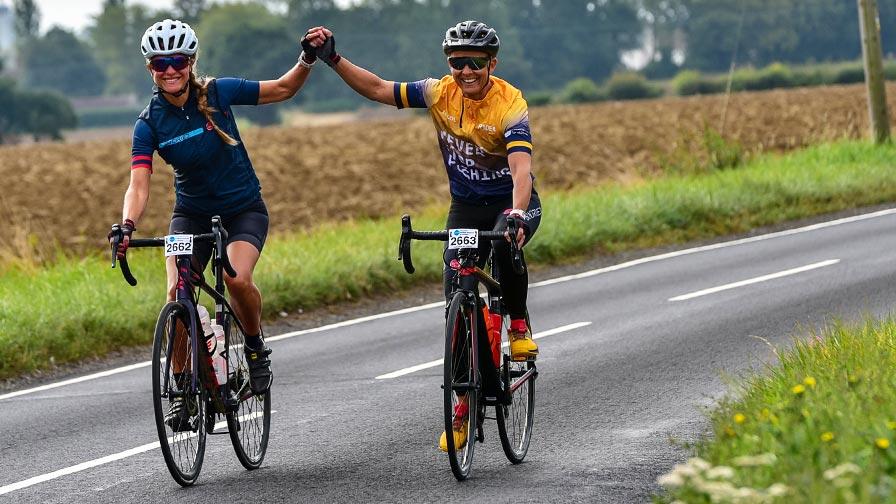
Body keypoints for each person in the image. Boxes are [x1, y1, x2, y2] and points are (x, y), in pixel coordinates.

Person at [304, 20, 541, 451]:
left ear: (492, 64)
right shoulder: (438, 92)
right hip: (466, 204)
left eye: (475, 63)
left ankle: (519, 324)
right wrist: (333, 59)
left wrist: (517, 214)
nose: (465, 71)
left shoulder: (510, 103)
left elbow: (521, 169)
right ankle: (462, 410)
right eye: (457, 62)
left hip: (510, 200)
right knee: (456, 296)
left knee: (507, 246)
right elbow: (379, 88)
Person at [108, 19, 324, 429]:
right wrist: (127, 224)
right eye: (160, 64)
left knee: (236, 279)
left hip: (243, 209)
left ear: (190, 62)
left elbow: (282, 89)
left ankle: (255, 348)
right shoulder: (148, 124)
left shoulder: (218, 93)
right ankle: (182, 389)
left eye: (177, 61)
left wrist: (308, 58)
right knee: (176, 293)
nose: (170, 70)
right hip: (191, 215)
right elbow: (139, 184)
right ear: (150, 68)